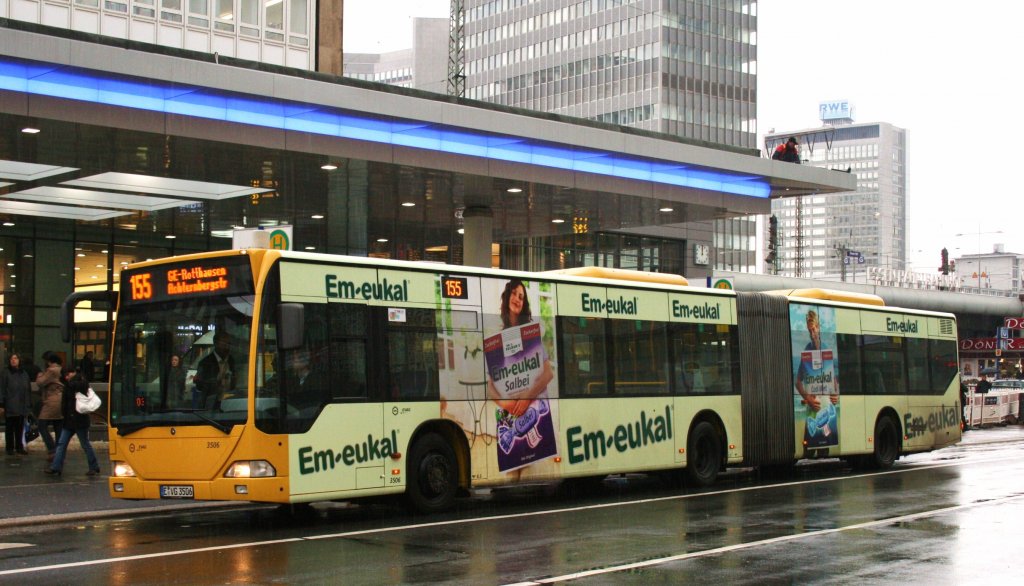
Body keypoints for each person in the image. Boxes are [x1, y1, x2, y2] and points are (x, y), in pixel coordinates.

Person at [486, 279, 554, 417]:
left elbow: (548, 373)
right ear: (507, 297)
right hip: (509, 414)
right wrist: (505, 404)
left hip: (535, 411)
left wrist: (527, 397)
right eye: (514, 293)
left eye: (521, 297)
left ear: (524, 304)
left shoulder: (530, 334)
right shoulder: (497, 338)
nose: (517, 299)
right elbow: (491, 386)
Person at [794, 309, 839, 448]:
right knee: (809, 448)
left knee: (826, 447)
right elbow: (798, 382)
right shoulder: (807, 351)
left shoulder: (826, 349)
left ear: (818, 328)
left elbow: (833, 380)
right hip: (813, 411)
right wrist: (807, 398)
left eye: (813, 329)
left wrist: (836, 394)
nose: (812, 334)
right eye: (809, 331)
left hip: (826, 409)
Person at [45, 370, 101, 477]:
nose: (66, 377)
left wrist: (65, 414)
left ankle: (56, 467)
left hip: (73, 421)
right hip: (78, 421)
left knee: (64, 444)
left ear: (73, 373)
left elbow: (66, 404)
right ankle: (93, 466)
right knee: (82, 444)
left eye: (68, 374)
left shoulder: (72, 385)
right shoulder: (83, 384)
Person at [35, 351, 66, 461]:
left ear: (48, 361)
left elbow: (40, 382)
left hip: (52, 401)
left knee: (42, 425)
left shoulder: (51, 370)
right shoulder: (60, 369)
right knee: (58, 427)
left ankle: (52, 449)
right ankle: (59, 452)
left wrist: (39, 375)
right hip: (60, 401)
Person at [193, 332, 235, 409]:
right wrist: (216, 381)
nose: (226, 347)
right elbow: (200, 386)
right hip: (212, 406)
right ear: (216, 344)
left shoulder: (231, 361)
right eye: (223, 343)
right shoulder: (205, 363)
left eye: (228, 344)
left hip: (231, 403)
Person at [1, 353, 32, 456]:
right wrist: (1, 404)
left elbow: (28, 390)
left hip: (22, 405)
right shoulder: (5, 373)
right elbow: (2, 389)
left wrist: (28, 405)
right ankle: (10, 447)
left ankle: (19, 446)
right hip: (10, 404)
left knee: (20, 427)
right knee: (10, 427)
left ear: (19, 360)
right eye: (11, 359)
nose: (13, 360)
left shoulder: (24, 374)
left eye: (16, 358)